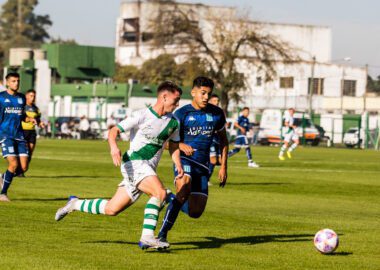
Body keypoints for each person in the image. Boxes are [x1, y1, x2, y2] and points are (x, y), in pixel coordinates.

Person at [55, 81, 183, 250]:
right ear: (164, 97)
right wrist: (114, 147)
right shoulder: (141, 115)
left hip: (146, 168)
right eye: (176, 100)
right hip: (133, 162)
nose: (178, 104)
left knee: (111, 209)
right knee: (159, 193)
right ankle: (147, 237)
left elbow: (173, 146)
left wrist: (178, 165)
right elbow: (113, 131)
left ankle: (75, 204)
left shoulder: (174, 123)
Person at [158, 76, 228, 246]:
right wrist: (181, 145)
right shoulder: (181, 114)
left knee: (195, 212)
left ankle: (169, 198)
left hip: (203, 165)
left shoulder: (217, 113)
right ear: (193, 92)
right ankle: (162, 234)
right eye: (203, 93)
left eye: (208, 94)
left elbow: (224, 141)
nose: (206, 97)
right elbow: (165, 142)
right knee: (184, 189)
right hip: (184, 161)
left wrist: (224, 166)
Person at [0, 73, 36, 202]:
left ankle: (3, 177)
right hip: (5, 135)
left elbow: (22, 116)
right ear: (7, 83)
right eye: (13, 81)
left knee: (23, 168)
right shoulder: (1, 97)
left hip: (19, 136)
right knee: (13, 164)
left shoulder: (21, 98)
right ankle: (2, 193)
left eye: (18, 81)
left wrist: (30, 118)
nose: (16, 83)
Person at [22, 89, 45, 165]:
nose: (33, 98)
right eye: (31, 96)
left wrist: (40, 124)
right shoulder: (22, 106)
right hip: (22, 131)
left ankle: (22, 170)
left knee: (30, 151)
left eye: (34, 96)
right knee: (24, 152)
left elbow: (38, 120)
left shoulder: (36, 109)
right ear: (26, 96)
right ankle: (19, 168)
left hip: (32, 132)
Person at [208, 94, 222, 183]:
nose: (216, 102)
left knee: (220, 161)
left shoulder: (219, 112)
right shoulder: (207, 112)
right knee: (213, 161)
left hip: (218, 138)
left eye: (217, 101)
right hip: (210, 138)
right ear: (210, 101)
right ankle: (206, 179)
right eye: (214, 100)